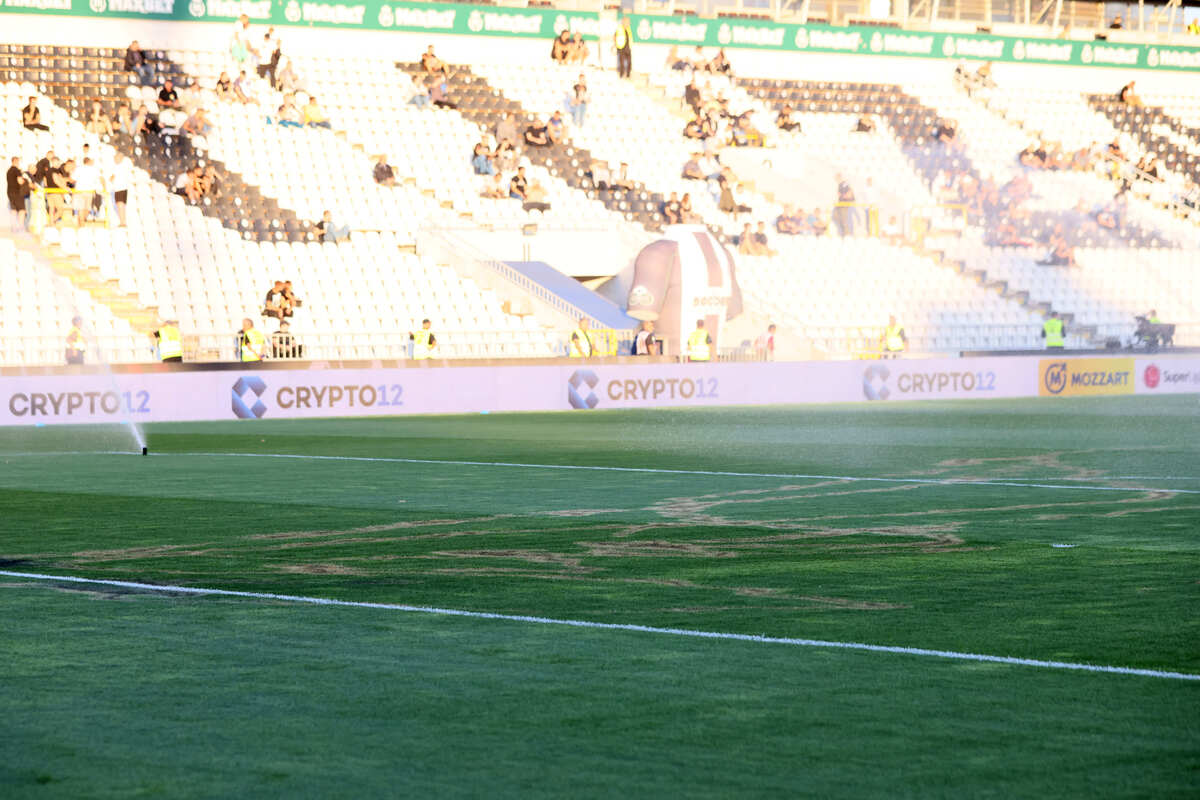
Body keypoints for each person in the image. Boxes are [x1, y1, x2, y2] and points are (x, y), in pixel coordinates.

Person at [108, 153, 132, 227]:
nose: (114, 160)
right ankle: (123, 221)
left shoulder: (117, 167)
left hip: (119, 188)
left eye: (116, 158)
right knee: (122, 206)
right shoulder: (125, 167)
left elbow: (112, 178)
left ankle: (122, 222)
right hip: (124, 188)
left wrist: (110, 179)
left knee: (120, 205)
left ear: (120, 158)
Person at [7, 157, 29, 232]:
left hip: (10, 192)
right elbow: (20, 181)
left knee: (13, 210)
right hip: (17, 192)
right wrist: (26, 181)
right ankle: (20, 227)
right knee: (21, 210)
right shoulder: (17, 170)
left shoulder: (9, 171)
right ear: (16, 161)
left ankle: (14, 227)